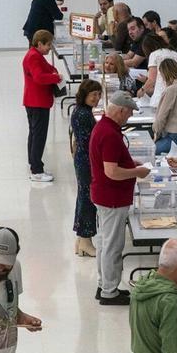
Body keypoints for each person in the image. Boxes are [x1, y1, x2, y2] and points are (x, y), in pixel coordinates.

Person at [90, 90, 150, 305]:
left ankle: (104, 284)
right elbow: (112, 172)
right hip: (112, 197)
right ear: (121, 110)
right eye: (129, 113)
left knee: (105, 243)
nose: (129, 118)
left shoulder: (105, 128)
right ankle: (109, 291)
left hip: (105, 195)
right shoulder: (109, 135)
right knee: (113, 246)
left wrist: (129, 164)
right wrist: (136, 172)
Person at [22, 29, 61, 183]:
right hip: (37, 102)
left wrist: (53, 72)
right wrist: (55, 77)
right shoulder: (33, 57)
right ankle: (37, 170)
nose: (50, 48)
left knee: (34, 133)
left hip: (34, 101)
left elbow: (48, 68)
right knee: (39, 136)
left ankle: (33, 161)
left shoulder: (35, 55)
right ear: (39, 44)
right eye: (48, 45)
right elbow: (39, 77)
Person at [71, 80, 102, 258]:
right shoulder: (83, 114)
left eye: (99, 94)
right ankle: (85, 239)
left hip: (83, 159)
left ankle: (81, 239)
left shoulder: (83, 111)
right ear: (85, 95)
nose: (97, 99)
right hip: (86, 162)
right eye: (93, 95)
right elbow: (89, 141)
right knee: (88, 199)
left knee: (83, 197)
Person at [151, 59, 177, 155]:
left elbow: (161, 118)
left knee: (150, 151)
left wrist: (155, 130)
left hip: (175, 137)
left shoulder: (171, 91)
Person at [137, 33, 177, 108]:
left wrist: (142, 90)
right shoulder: (175, 54)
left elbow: (152, 80)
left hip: (161, 98)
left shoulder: (154, 55)